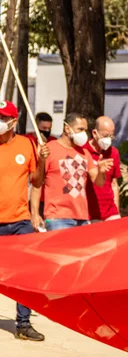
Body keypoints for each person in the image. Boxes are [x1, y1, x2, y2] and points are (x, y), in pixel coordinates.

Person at [0, 100, 49, 341]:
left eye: (2, 117)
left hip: (20, 220)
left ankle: (23, 323)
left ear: (13, 121)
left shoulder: (26, 145)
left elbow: (37, 181)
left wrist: (42, 160)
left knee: (25, 273)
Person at [31, 113, 113, 232]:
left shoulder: (85, 153)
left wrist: (101, 171)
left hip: (82, 218)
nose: (84, 134)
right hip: (57, 218)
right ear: (67, 128)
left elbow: (99, 182)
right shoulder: (49, 149)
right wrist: (35, 214)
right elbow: (36, 185)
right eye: (80, 129)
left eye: (85, 130)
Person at [84, 116, 122, 222]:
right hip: (89, 213)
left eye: (111, 136)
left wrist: (116, 212)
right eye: (105, 136)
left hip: (110, 212)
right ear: (95, 133)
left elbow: (114, 184)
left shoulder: (113, 152)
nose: (108, 140)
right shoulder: (82, 151)